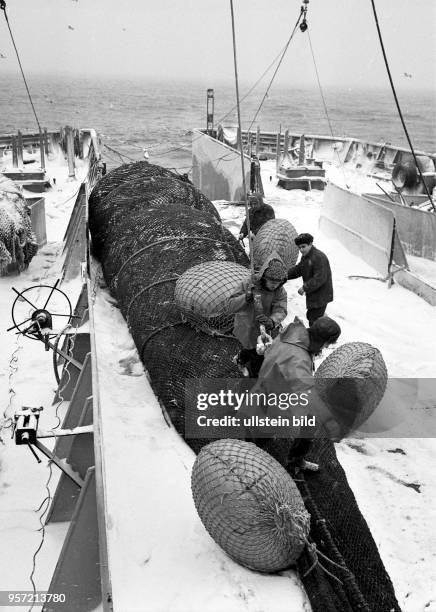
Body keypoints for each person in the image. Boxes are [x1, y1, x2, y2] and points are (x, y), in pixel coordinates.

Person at [245, 315, 342, 467]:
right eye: (326, 345)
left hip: (266, 389)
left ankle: (294, 459)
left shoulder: (293, 334)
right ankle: (246, 460)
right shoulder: (298, 359)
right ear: (321, 341)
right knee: (261, 435)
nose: (324, 348)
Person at [228, 253, 288, 377]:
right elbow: (231, 305)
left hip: (263, 331)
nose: (274, 285)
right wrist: (246, 297)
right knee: (248, 348)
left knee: (259, 357)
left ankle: (253, 373)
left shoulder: (280, 292)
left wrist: (272, 321)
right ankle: (240, 361)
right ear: (264, 277)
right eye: (271, 281)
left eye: (278, 282)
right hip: (245, 326)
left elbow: (280, 309)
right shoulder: (249, 283)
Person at [287, 233, 333, 326]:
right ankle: (324, 324)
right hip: (314, 294)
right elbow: (298, 270)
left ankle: (320, 336)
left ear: (310, 244)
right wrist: (284, 275)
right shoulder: (306, 257)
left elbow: (320, 278)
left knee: (313, 318)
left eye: (303, 246)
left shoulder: (319, 257)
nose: (301, 250)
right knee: (313, 315)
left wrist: (305, 287)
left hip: (321, 294)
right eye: (299, 247)